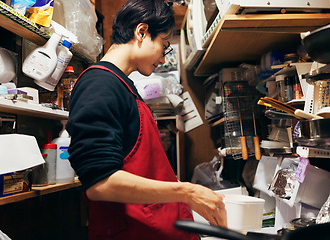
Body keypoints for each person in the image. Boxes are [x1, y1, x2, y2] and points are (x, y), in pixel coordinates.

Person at [66, 0, 227, 239]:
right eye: (164, 45)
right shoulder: (99, 84)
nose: (163, 59)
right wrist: (187, 191)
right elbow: (101, 184)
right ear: (141, 32)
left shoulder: (122, 85)